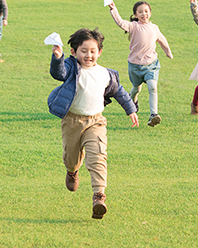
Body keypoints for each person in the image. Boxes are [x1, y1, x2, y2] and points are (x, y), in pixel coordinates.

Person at [48, 28, 139, 219]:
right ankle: (72, 172)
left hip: (96, 122)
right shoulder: (72, 68)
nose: (88, 55)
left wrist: (131, 109)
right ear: (74, 52)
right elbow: (60, 73)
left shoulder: (106, 74)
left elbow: (119, 92)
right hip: (72, 121)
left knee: (98, 156)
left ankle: (99, 196)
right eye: (83, 51)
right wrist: (57, 58)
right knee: (71, 157)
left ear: (99, 52)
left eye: (92, 51)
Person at [109, 1, 173, 127]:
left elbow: (162, 40)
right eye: (140, 12)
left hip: (151, 64)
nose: (144, 14)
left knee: (152, 87)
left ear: (150, 13)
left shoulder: (154, 28)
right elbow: (121, 22)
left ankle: (153, 114)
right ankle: (132, 102)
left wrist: (168, 52)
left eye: (146, 11)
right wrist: (113, 9)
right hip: (135, 65)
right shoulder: (134, 26)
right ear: (135, 15)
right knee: (136, 88)